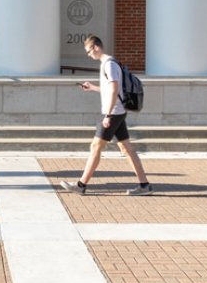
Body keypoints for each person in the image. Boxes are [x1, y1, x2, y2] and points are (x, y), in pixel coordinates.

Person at [59, 36, 152, 195]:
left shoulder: (108, 64)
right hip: (118, 112)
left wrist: (108, 115)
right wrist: (93, 88)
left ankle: (81, 185)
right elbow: (111, 89)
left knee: (95, 146)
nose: (88, 55)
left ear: (96, 47)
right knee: (126, 148)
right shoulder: (109, 63)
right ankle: (145, 185)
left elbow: (115, 90)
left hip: (114, 113)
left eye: (88, 51)